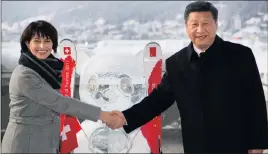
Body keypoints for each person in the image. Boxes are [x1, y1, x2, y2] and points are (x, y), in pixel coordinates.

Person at [106, 1, 268, 154]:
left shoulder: (240, 55)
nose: (200, 30)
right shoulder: (177, 63)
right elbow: (158, 99)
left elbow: (255, 100)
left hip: (236, 144)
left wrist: (257, 143)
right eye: (194, 24)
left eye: (206, 24)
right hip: (197, 145)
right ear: (186, 27)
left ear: (216, 24)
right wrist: (125, 117)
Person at [1, 20, 115, 153]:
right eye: (37, 41)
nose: (42, 46)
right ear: (27, 43)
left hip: (44, 141)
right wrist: (103, 115)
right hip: (25, 143)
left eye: (47, 41)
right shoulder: (24, 74)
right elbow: (59, 102)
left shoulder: (48, 69)